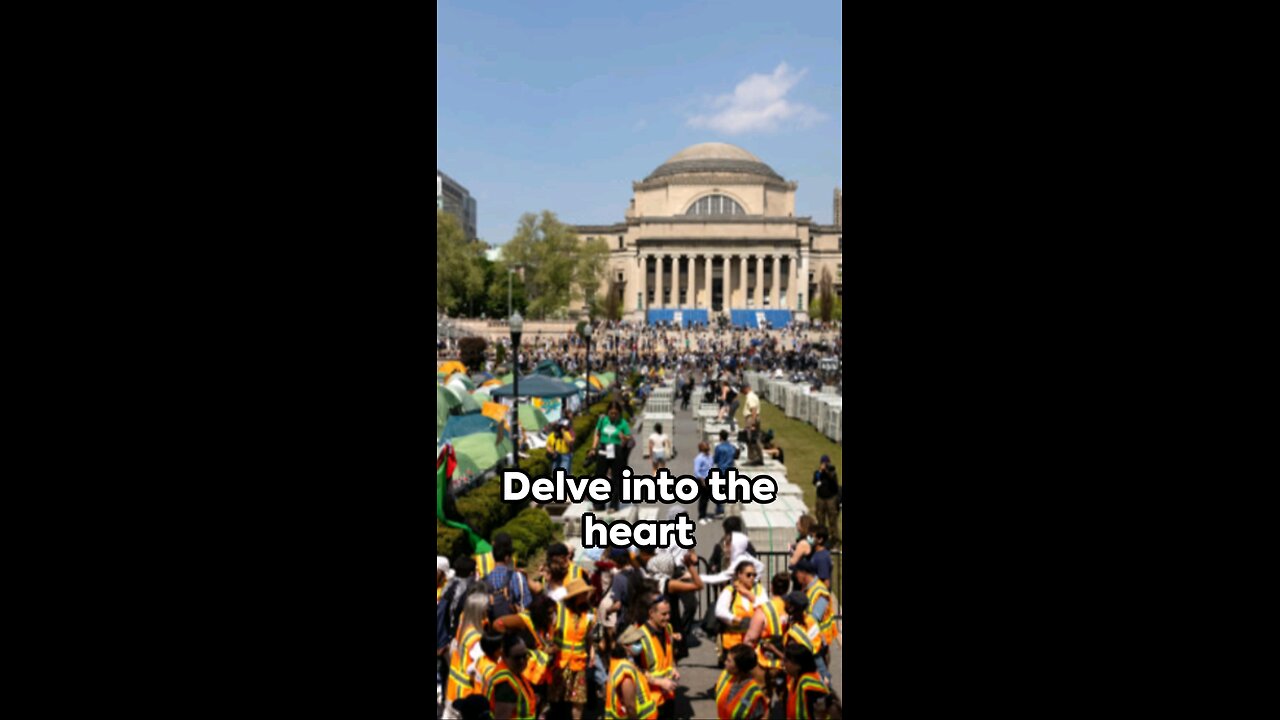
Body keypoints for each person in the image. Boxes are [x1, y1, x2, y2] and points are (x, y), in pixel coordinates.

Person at [550, 579, 595, 720]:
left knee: (578, 699)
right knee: (556, 699)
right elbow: (550, 632)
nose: (586, 595)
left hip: (579, 663)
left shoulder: (589, 613)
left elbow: (589, 637)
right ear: (576, 595)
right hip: (560, 662)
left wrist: (592, 653)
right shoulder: (560, 611)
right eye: (583, 593)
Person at [743, 572, 792, 697]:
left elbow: (751, 638)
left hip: (765, 662)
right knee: (787, 699)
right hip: (786, 661)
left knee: (762, 698)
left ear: (772, 587)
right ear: (787, 588)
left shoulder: (764, 609)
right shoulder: (792, 607)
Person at [446, 593, 492, 718]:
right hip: (466, 695)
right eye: (486, 609)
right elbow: (480, 670)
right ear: (479, 611)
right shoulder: (476, 638)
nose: (489, 611)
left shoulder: (463, 626)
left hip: (453, 690)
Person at [635, 592, 680, 720]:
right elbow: (635, 669)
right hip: (651, 699)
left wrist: (674, 668)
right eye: (663, 614)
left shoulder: (668, 628)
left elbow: (669, 657)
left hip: (668, 695)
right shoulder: (639, 636)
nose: (667, 617)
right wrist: (659, 682)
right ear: (651, 613)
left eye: (669, 613)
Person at [715, 560, 766, 667]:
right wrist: (734, 618)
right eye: (748, 575)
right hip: (733, 644)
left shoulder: (759, 590)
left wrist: (748, 594)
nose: (752, 578)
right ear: (739, 575)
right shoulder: (730, 590)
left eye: (754, 575)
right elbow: (720, 610)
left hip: (753, 645)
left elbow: (766, 607)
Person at [607, 625, 659, 719]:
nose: (640, 644)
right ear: (625, 645)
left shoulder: (621, 662)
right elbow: (630, 707)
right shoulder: (625, 669)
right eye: (636, 642)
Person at [590, 401, 632, 512]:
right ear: (608, 412)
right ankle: (598, 504)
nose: (613, 416)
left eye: (615, 413)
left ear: (619, 413)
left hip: (616, 449)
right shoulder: (603, 420)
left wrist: (624, 437)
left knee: (616, 478)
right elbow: (597, 434)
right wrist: (593, 448)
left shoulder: (622, 422)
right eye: (611, 413)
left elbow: (629, 436)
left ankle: (613, 505)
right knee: (599, 476)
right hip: (603, 448)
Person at [486, 634, 538, 720]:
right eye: (517, 658)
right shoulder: (505, 683)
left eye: (525, 656)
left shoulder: (515, 673)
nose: (522, 661)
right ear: (504, 656)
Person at [714, 644, 768, 720]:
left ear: (740, 667)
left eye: (729, 661)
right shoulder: (725, 676)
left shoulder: (754, 694)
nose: (725, 662)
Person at [783, 645, 832, 719]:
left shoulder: (808, 684)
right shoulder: (795, 680)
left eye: (786, 661)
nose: (782, 664)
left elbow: (822, 714)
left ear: (798, 665)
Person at [813, 456, 840, 547]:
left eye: (826, 463)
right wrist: (820, 472)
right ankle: (822, 538)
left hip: (831, 498)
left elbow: (834, 484)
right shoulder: (818, 473)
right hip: (820, 498)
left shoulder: (832, 473)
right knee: (820, 519)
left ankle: (835, 539)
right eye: (823, 463)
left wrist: (828, 473)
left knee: (832, 519)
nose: (825, 465)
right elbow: (815, 482)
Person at [711, 430, 735, 519]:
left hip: (721, 470)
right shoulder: (732, 447)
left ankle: (719, 510)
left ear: (720, 437)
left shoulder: (719, 447)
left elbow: (715, 459)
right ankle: (729, 510)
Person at [693, 442, 715, 524]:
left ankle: (705, 515)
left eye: (708, 448)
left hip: (709, 478)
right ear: (701, 449)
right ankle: (701, 516)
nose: (708, 450)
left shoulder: (709, 456)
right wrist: (702, 481)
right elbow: (696, 471)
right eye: (706, 449)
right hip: (701, 479)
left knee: (707, 498)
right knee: (702, 499)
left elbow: (711, 466)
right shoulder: (699, 458)